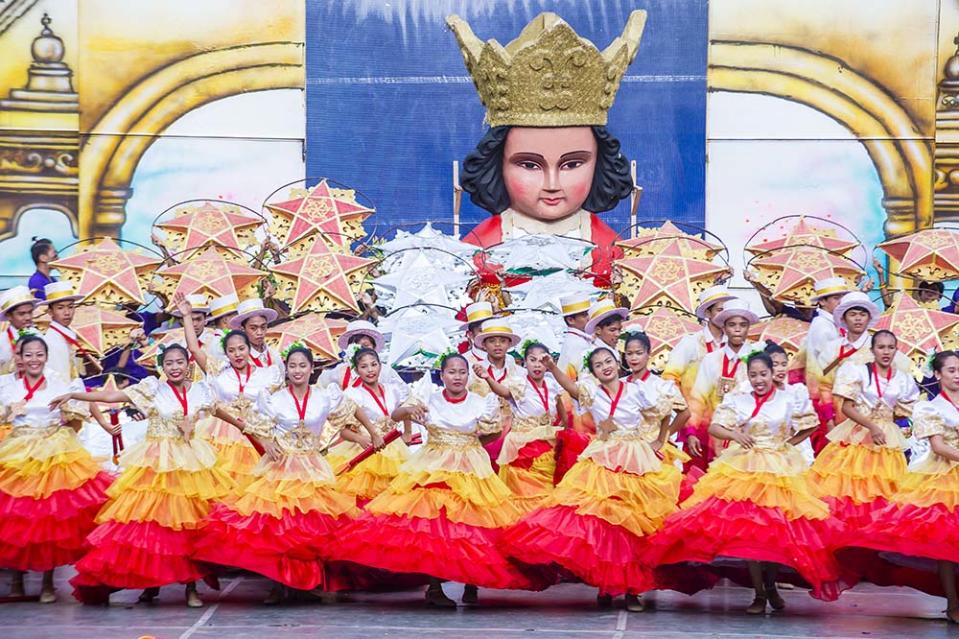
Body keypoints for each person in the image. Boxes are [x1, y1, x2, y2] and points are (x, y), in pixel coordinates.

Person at [330, 352, 542, 608]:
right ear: (442, 376)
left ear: (468, 375)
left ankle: (471, 583)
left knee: (476, 523)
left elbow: (494, 430)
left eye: (462, 372)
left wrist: (471, 444)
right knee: (435, 527)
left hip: (471, 466)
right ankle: (435, 587)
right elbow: (397, 415)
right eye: (451, 372)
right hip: (435, 464)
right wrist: (408, 410)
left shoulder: (480, 401)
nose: (457, 377)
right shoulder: (429, 399)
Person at [452, 12, 645, 285]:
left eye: (572, 164)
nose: (552, 184)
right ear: (497, 166)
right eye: (529, 165)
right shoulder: (479, 249)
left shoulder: (612, 250)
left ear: (599, 165)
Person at [645, 351, 841, 613]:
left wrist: (787, 444)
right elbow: (715, 427)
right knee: (751, 533)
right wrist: (735, 435)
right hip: (744, 468)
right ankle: (760, 593)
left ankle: (770, 586)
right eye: (753, 375)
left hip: (778, 469)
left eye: (763, 374)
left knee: (774, 532)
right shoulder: (739, 398)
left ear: (773, 373)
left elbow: (810, 425)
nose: (758, 380)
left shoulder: (788, 397)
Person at [193, 343, 383, 603]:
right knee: (279, 527)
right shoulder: (274, 398)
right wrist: (267, 442)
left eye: (302, 365)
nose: (297, 370)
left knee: (313, 527)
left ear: (311, 368)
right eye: (292, 366)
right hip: (281, 467)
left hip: (313, 467)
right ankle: (278, 583)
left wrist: (373, 432)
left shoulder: (324, 396)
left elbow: (352, 409)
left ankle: (313, 581)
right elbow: (255, 425)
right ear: (286, 370)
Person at [57, 344, 243, 607]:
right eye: (169, 363)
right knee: (153, 526)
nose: (175, 367)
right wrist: (76, 394)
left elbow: (218, 411)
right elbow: (113, 397)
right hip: (157, 462)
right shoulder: (153, 388)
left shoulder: (200, 391)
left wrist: (243, 427)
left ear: (187, 365)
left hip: (190, 463)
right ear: (162, 366)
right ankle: (151, 582)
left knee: (188, 524)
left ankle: (191, 587)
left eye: (180, 362)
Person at [503, 345, 672, 612]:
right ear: (593, 372)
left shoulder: (638, 390)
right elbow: (570, 387)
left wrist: (659, 442)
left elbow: (664, 413)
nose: (605, 366)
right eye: (598, 365)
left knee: (632, 525)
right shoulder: (591, 392)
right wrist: (552, 366)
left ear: (618, 363)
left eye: (609, 361)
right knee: (603, 525)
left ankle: (631, 591)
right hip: (603, 457)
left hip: (633, 458)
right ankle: (606, 584)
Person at [848, 351, 959, 623]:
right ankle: (953, 601)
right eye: (952, 370)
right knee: (945, 543)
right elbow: (938, 446)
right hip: (944, 475)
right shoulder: (930, 407)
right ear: (938, 374)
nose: (957, 375)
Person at [0, 335, 112, 603]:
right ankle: (17, 578)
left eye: (39, 354)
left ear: (46, 357)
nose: (34, 360)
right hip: (18, 454)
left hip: (52, 455)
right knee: (17, 519)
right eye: (28, 355)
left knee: (50, 519)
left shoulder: (59, 384)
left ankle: (49, 582)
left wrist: (67, 424)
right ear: (19, 358)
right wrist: (6, 412)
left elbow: (77, 417)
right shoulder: (6, 385)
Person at [807, 330, 918, 532]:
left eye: (890, 347)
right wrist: (872, 426)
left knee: (882, 487)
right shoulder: (858, 371)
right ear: (873, 350)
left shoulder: (902, 379)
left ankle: (873, 534)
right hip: (857, 432)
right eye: (881, 347)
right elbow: (847, 407)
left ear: (896, 349)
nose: (886, 352)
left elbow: (902, 412)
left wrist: (896, 424)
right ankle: (849, 532)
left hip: (886, 436)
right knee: (851, 485)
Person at [176, 292, 283, 486]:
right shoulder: (218, 369)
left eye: (241, 349)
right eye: (232, 350)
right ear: (226, 353)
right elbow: (193, 349)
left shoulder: (266, 373)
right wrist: (186, 317)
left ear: (248, 349)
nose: (237, 354)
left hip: (257, 432)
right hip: (222, 432)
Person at [473, 340, 563, 513]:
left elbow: (560, 409)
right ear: (524, 363)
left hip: (548, 443)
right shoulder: (518, 383)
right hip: (523, 445)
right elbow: (503, 392)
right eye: (532, 360)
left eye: (542, 361)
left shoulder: (552, 385)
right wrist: (488, 378)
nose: (537, 365)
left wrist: (564, 428)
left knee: (550, 491)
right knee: (527, 493)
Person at [326, 347, 413, 506]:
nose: (370, 370)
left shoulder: (393, 389)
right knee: (366, 500)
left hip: (396, 449)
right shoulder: (352, 394)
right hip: (366, 450)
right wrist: (359, 438)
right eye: (364, 366)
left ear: (380, 365)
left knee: (395, 501)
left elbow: (405, 409)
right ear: (357, 370)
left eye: (374, 364)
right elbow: (343, 431)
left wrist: (408, 433)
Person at [806, 291, 883, 454]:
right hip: (839, 416)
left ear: (868, 318)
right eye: (853, 314)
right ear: (843, 318)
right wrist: (829, 420)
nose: (858, 319)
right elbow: (823, 385)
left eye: (862, 314)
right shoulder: (832, 348)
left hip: (873, 418)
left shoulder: (879, 348)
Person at [685, 298, 758, 469]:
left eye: (743, 324)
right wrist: (691, 432)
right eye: (732, 325)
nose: (738, 329)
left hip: (751, 432)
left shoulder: (758, 356)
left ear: (749, 327)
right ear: (724, 328)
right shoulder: (711, 360)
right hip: (718, 431)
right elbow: (698, 399)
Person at [622, 330, 691, 468]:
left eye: (639, 353)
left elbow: (685, 413)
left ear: (649, 354)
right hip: (624, 447)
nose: (634, 358)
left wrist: (664, 437)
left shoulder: (662, 385)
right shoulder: (620, 384)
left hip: (653, 448)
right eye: (629, 354)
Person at [662, 285, 733, 407]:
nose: (724, 315)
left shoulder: (733, 344)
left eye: (727, 311)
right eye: (720, 310)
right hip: (694, 419)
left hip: (724, 418)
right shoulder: (691, 343)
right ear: (708, 313)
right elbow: (669, 378)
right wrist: (684, 410)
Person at [317, 319, 404, 389]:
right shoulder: (341, 371)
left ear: (374, 347)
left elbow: (404, 395)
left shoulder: (386, 372)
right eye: (356, 346)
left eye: (365, 345)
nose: (361, 350)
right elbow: (320, 386)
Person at [40, 281, 91, 380]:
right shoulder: (52, 341)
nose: (67, 312)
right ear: (50, 312)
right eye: (60, 308)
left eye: (71, 307)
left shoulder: (67, 335)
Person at [804, 277, 853, 367]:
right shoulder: (822, 325)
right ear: (822, 301)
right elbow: (827, 362)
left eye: (843, 298)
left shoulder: (837, 323)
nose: (841, 302)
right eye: (836, 298)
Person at [230, 298, 284, 376]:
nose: (259, 333)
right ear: (243, 329)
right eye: (253, 328)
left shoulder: (274, 354)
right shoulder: (239, 359)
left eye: (263, 327)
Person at [0, 286, 39, 374]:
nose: (28, 317)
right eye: (22, 314)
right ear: (9, 316)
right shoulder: (2, 342)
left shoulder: (38, 335)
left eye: (30, 312)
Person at [555, 292, 593, 380]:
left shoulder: (575, 339)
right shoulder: (577, 343)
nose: (588, 318)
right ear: (570, 320)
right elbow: (586, 377)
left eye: (588, 314)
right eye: (584, 315)